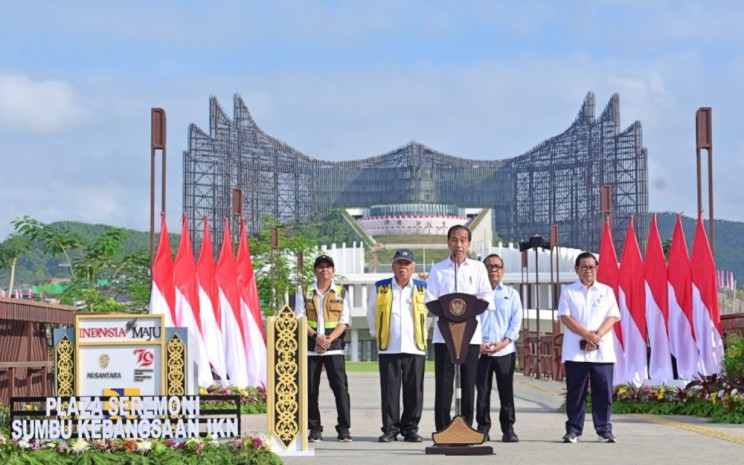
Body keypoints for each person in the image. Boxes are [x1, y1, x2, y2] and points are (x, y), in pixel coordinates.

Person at [425, 225, 493, 432]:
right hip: (444, 335)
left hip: (470, 336)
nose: (459, 244)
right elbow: (430, 300)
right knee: (444, 385)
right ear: (448, 243)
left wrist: (470, 306)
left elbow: (488, 298)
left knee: (469, 382)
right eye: (454, 239)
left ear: (469, 244)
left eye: (463, 240)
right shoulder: (438, 269)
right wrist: (449, 312)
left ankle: (467, 429)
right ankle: (443, 429)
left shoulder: (478, 268)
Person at [367, 248, 428, 443]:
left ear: (413, 267)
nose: (403, 267)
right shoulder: (381, 287)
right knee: (389, 392)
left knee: (414, 392)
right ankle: (390, 429)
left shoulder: (422, 288)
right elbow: (372, 313)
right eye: (399, 263)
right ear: (393, 265)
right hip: (389, 347)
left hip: (415, 346)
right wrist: (375, 334)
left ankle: (410, 429)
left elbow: (430, 315)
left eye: (407, 264)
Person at [558, 251, 620, 444]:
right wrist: (586, 335)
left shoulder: (606, 291)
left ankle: (604, 430)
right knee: (576, 393)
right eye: (584, 267)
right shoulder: (568, 291)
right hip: (576, 353)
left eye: (592, 267)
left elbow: (613, 317)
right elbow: (565, 317)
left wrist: (597, 336)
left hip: (602, 352)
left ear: (597, 268)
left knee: (603, 392)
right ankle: (574, 430)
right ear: (576, 269)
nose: (588, 270)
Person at [294, 254, 352, 443]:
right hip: (311, 347)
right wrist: (316, 337)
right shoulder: (303, 291)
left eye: (328, 267)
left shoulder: (342, 292)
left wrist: (328, 339)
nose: (324, 270)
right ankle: (315, 428)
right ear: (315, 270)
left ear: (333, 271)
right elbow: (300, 318)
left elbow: (344, 321)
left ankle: (344, 429)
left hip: (334, 347)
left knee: (340, 388)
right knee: (310, 389)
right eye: (320, 267)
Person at [475, 254, 522, 443]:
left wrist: (504, 342)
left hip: (504, 351)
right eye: (489, 266)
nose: (493, 269)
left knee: (506, 391)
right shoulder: (475, 295)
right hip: (481, 351)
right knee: (483, 391)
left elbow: (515, 322)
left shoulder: (511, 294)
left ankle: (508, 428)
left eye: (497, 266)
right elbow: (472, 320)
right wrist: (477, 344)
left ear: (503, 271)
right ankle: (483, 428)